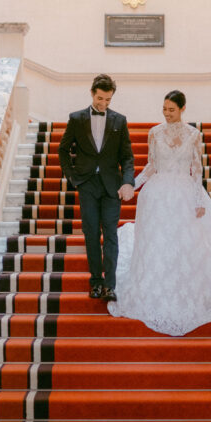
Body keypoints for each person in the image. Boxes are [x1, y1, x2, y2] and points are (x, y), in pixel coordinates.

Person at [108, 90, 211, 336]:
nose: (167, 113)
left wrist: (197, 199)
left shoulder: (194, 135)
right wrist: (133, 184)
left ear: (182, 109)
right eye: (164, 109)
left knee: (184, 243)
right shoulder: (155, 133)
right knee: (157, 243)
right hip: (156, 195)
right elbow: (151, 166)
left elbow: (197, 170)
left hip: (183, 192)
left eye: (171, 109)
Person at [58, 74, 135, 302]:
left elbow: (127, 156)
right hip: (87, 184)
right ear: (92, 93)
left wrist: (127, 181)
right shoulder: (77, 118)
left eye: (108, 100)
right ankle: (95, 281)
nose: (103, 103)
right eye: (100, 98)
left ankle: (110, 285)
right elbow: (63, 150)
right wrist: (73, 177)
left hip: (112, 186)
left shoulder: (119, 121)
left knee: (111, 234)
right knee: (91, 233)